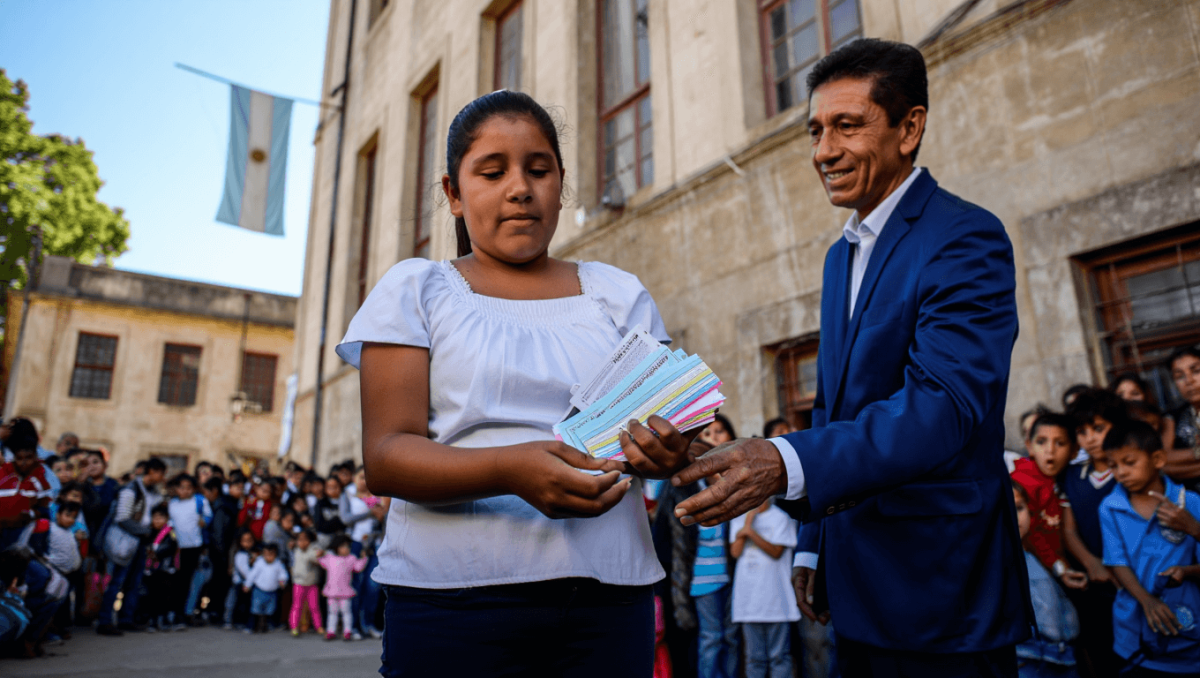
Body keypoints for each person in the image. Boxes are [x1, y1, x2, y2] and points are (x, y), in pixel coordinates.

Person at [670, 39, 1031, 676]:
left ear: (909, 128)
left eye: (847, 125)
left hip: (938, 586)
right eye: (815, 130)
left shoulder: (964, 236)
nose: (824, 151)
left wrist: (783, 460)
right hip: (851, 577)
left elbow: (944, 406)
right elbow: (834, 407)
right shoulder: (842, 256)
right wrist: (815, 545)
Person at [340, 89, 702, 676]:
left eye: (539, 170)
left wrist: (664, 450)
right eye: (492, 172)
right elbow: (386, 457)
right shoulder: (418, 292)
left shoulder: (616, 294)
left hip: (609, 599)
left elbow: (660, 427)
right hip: (451, 602)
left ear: (561, 182)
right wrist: (511, 469)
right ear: (454, 194)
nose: (520, 189)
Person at [1099, 420, 1200, 675]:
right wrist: (1146, 600)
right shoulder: (1110, 507)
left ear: (1157, 459)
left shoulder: (1189, 503)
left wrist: (1192, 529)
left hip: (1189, 634)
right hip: (1134, 633)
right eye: (1113, 465)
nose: (1121, 472)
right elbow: (1117, 562)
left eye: (1129, 462)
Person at [1061, 388, 1125, 678]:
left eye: (1098, 428)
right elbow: (1069, 529)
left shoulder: (1129, 471)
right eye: (1082, 431)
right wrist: (1091, 562)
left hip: (1135, 578)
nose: (1091, 438)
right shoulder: (1073, 476)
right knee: (1104, 654)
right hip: (1095, 582)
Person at [1011, 482, 1081, 676]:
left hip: (1059, 656)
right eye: (1004, 511)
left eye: (1018, 508)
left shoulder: (1035, 554)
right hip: (1026, 660)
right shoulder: (996, 563)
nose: (1013, 516)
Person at [1011, 413, 1086, 584]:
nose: (1050, 450)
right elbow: (1031, 533)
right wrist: (1059, 567)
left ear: (1074, 451)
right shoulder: (1023, 483)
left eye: (1060, 443)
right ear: (1029, 447)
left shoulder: (1067, 479)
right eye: (1041, 442)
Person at [729, 499, 800, 678]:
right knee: (754, 659)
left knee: (779, 657)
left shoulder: (781, 517)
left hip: (777, 602)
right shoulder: (738, 518)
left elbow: (777, 552)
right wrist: (747, 524)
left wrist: (750, 532)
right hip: (748, 603)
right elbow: (735, 552)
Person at [95, 457, 165, 636]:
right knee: (116, 581)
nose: (162, 478)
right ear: (152, 472)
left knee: (134, 582)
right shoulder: (130, 489)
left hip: (139, 542)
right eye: (161, 474)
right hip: (124, 540)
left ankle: (126, 618)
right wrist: (145, 531)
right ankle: (105, 621)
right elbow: (122, 518)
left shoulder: (151, 492)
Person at [0, 423, 54, 550]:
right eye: (19, 458)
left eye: (28, 458)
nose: (24, 463)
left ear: (35, 457)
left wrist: (30, 515)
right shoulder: (3, 475)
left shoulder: (40, 478)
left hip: (24, 530)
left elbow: (44, 508)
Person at [1164, 346, 1200, 493]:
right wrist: (1197, 452)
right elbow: (1163, 460)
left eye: (1196, 371)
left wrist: (1183, 462)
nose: (1189, 381)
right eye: (1179, 376)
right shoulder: (1172, 417)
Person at [318, 535, 366, 641]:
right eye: (343, 546)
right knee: (332, 612)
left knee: (346, 612)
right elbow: (321, 562)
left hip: (345, 592)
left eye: (348, 546)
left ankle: (347, 631)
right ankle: (331, 631)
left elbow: (358, 567)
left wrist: (364, 558)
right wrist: (319, 555)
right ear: (336, 548)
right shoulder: (329, 558)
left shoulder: (351, 558)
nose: (346, 549)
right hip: (332, 592)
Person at [141, 504, 180, 632]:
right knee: (152, 595)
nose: (157, 520)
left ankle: (162, 619)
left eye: (160, 518)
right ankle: (152, 620)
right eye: (155, 518)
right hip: (152, 570)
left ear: (166, 518)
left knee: (164, 595)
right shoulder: (149, 532)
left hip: (165, 569)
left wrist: (155, 553)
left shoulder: (171, 532)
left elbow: (171, 547)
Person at [242, 543, 288, 634]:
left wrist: (282, 581)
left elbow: (283, 574)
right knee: (255, 610)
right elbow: (252, 575)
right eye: (265, 554)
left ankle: (266, 626)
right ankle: (251, 626)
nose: (268, 557)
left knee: (270, 610)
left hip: (272, 592)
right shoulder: (259, 563)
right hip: (259, 590)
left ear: (275, 555)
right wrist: (247, 585)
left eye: (270, 555)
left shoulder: (278, 564)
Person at [289, 529, 324, 637]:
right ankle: (294, 627)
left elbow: (315, 559)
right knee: (296, 606)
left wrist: (319, 554)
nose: (302, 542)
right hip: (298, 583)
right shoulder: (295, 550)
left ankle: (318, 627)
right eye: (300, 540)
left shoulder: (314, 550)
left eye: (305, 540)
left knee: (314, 607)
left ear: (310, 541)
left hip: (312, 584)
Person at [224, 529, 256, 630]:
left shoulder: (251, 554)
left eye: (250, 540)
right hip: (238, 582)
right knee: (232, 602)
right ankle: (228, 621)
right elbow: (245, 571)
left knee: (242, 604)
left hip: (246, 583)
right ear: (240, 542)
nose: (248, 543)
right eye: (245, 541)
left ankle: (239, 621)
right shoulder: (240, 554)